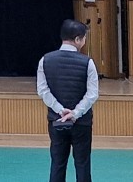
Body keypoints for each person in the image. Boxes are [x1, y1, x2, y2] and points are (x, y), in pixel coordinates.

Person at [36, 19, 99, 182]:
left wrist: (60, 110)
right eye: (84, 38)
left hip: (57, 120)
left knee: (57, 164)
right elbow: (92, 94)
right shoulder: (88, 62)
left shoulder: (45, 60)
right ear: (77, 39)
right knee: (83, 165)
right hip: (82, 122)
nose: (84, 42)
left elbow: (43, 90)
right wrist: (75, 113)